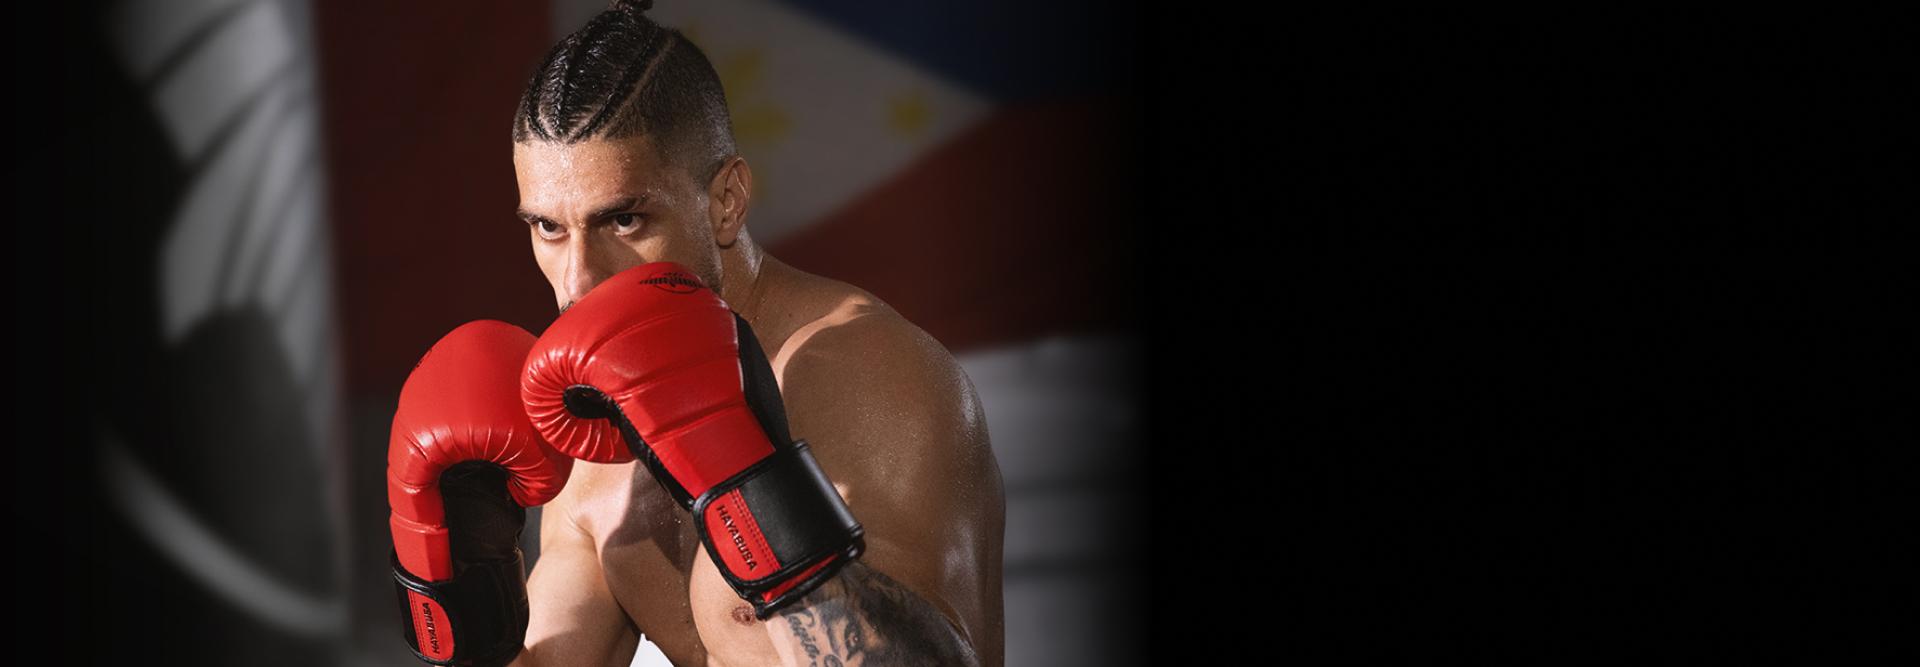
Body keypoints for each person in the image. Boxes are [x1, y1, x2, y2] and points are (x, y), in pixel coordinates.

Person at [473, 1, 1004, 664]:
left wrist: (750, 480)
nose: (578, 280)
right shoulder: (594, 449)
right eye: (549, 227)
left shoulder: (871, 371)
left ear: (725, 201)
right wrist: (460, 586)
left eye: (625, 220)